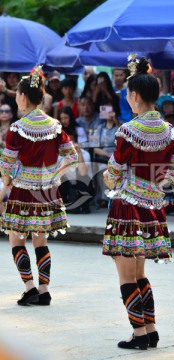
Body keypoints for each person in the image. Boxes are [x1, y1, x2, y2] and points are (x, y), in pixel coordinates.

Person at [102, 55, 174, 350]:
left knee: (126, 274)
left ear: (134, 95)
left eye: (127, 93)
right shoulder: (168, 131)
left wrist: (111, 182)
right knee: (140, 273)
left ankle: (139, 335)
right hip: (152, 208)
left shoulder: (128, 131)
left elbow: (114, 172)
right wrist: (156, 187)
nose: (127, 97)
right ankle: (149, 329)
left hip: (126, 207)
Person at [0, 66, 78, 306]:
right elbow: (72, 157)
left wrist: (7, 182)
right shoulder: (55, 126)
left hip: (23, 190)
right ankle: (44, 289)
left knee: (16, 240)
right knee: (40, 241)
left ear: (23, 97)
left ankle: (30, 286)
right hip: (47, 190)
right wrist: (53, 173)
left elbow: (6, 165)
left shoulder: (17, 129)